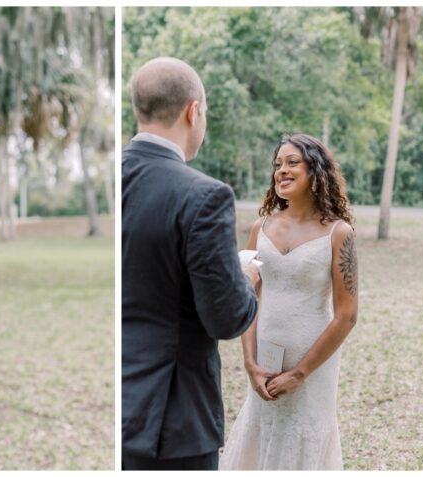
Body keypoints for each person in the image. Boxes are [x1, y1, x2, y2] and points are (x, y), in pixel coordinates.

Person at [121, 57, 261, 470]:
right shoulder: (205, 196)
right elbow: (226, 317)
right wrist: (245, 278)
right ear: (193, 110)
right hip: (171, 415)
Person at [220, 134, 357, 470]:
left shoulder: (339, 233)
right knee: (261, 434)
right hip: (264, 365)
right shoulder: (260, 228)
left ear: (317, 169)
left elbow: (347, 316)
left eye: (292, 162)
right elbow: (248, 299)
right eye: (278, 164)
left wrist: (300, 373)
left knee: (304, 439)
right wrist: (251, 363)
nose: (281, 170)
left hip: (313, 371)